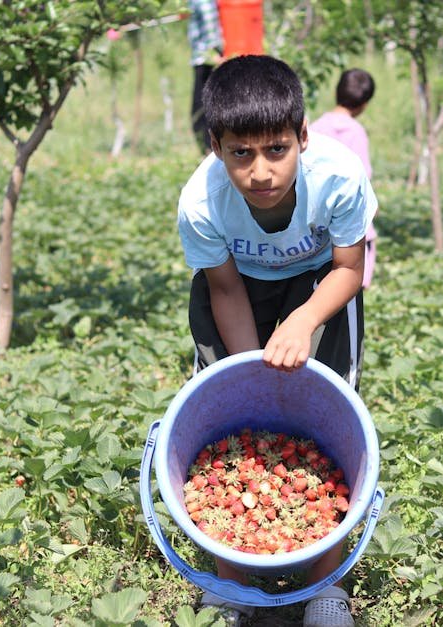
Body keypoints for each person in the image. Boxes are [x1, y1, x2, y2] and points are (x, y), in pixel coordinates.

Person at [177, 55, 377, 627]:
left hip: (322, 285)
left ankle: (325, 587)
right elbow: (225, 287)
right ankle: (230, 583)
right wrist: (248, 373)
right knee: (225, 408)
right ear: (216, 145)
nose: (260, 172)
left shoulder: (338, 177)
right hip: (238, 286)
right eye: (241, 153)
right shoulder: (201, 202)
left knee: (334, 410)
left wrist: (304, 320)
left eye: (277, 150)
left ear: (303, 137)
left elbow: (347, 267)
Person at [310, 69, 378, 289]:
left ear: (336, 92)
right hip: (349, 221)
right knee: (350, 283)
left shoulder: (315, 128)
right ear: (364, 103)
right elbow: (362, 177)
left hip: (319, 223)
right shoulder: (356, 132)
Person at [187, 0, 224, 154]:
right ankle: (207, 146)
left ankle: (208, 147)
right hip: (204, 56)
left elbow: (209, 19)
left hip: (206, 58)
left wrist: (213, 50)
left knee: (202, 105)